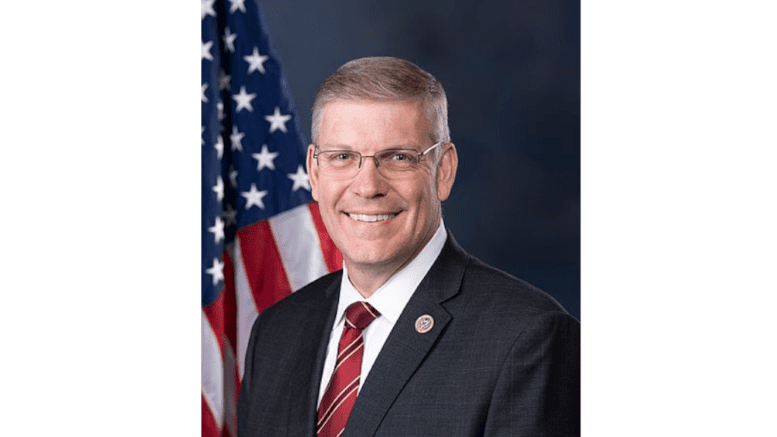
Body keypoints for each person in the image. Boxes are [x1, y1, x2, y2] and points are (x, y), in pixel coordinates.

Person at [237, 56, 580, 437]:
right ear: (315, 174)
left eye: (398, 157)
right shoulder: (276, 333)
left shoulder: (528, 339)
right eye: (343, 157)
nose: (367, 187)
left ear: (443, 171)